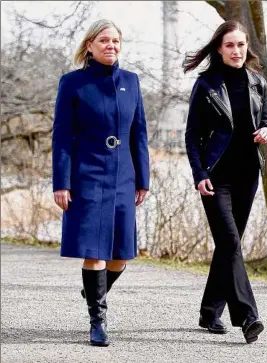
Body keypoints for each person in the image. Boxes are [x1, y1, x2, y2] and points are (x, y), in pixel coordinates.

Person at [52, 19, 149, 347]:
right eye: (104, 40)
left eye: (116, 41)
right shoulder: (73, 83)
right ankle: (98, 320)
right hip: (87, 175)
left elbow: (140, 134)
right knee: (94, 252)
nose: (111, 46)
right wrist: (61, 183)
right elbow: (62, 137)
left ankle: (93, 288)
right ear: (90, 45)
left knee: (121, 255)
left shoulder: (132, 82)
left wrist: (143, 179)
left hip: (124, 177)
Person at [183, 20, 267, 344]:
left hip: (248, 175)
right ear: (219, 49)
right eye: (229, 45)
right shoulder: (207, 85)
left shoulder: (257, 83)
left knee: (227, 246)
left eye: (241, 45)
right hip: (216, 177)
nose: (236, 51)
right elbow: (192, 135)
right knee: (231, 242)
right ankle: (248, 316)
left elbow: (266, 123)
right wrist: (200, 175)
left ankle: (210, 312)